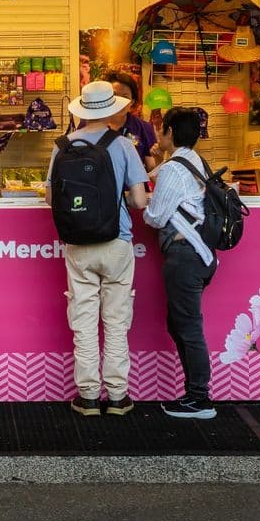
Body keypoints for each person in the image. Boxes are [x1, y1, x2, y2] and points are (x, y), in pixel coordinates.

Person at [47, 80, 149, 416]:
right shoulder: (123, 146)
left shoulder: (62, 146)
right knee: (116, 322)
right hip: (116, 241)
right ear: (111, 110)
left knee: (84, 320)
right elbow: (137, 199)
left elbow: (50, 198)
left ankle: (88, 396)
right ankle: (118, 397)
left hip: (78, 243)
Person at [143, 107, 219, 419]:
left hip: (186, 255)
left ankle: (199, 399)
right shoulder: (194, 161)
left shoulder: (175, 169)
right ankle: (195, 394)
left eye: (161, 129)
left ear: (170, 132)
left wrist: (145, 206)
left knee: (187, 326)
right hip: (199, 254)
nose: (157, 134)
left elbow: (156, 216)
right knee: (181, 324)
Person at [104, 70, 157, 173]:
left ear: (132, 101)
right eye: (114, 95)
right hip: (100, 187)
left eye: (124, 97)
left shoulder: (144, 128)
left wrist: (159, 158)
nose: (118, 101)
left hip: (133, 188)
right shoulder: (91, 124)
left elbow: (151, 167)